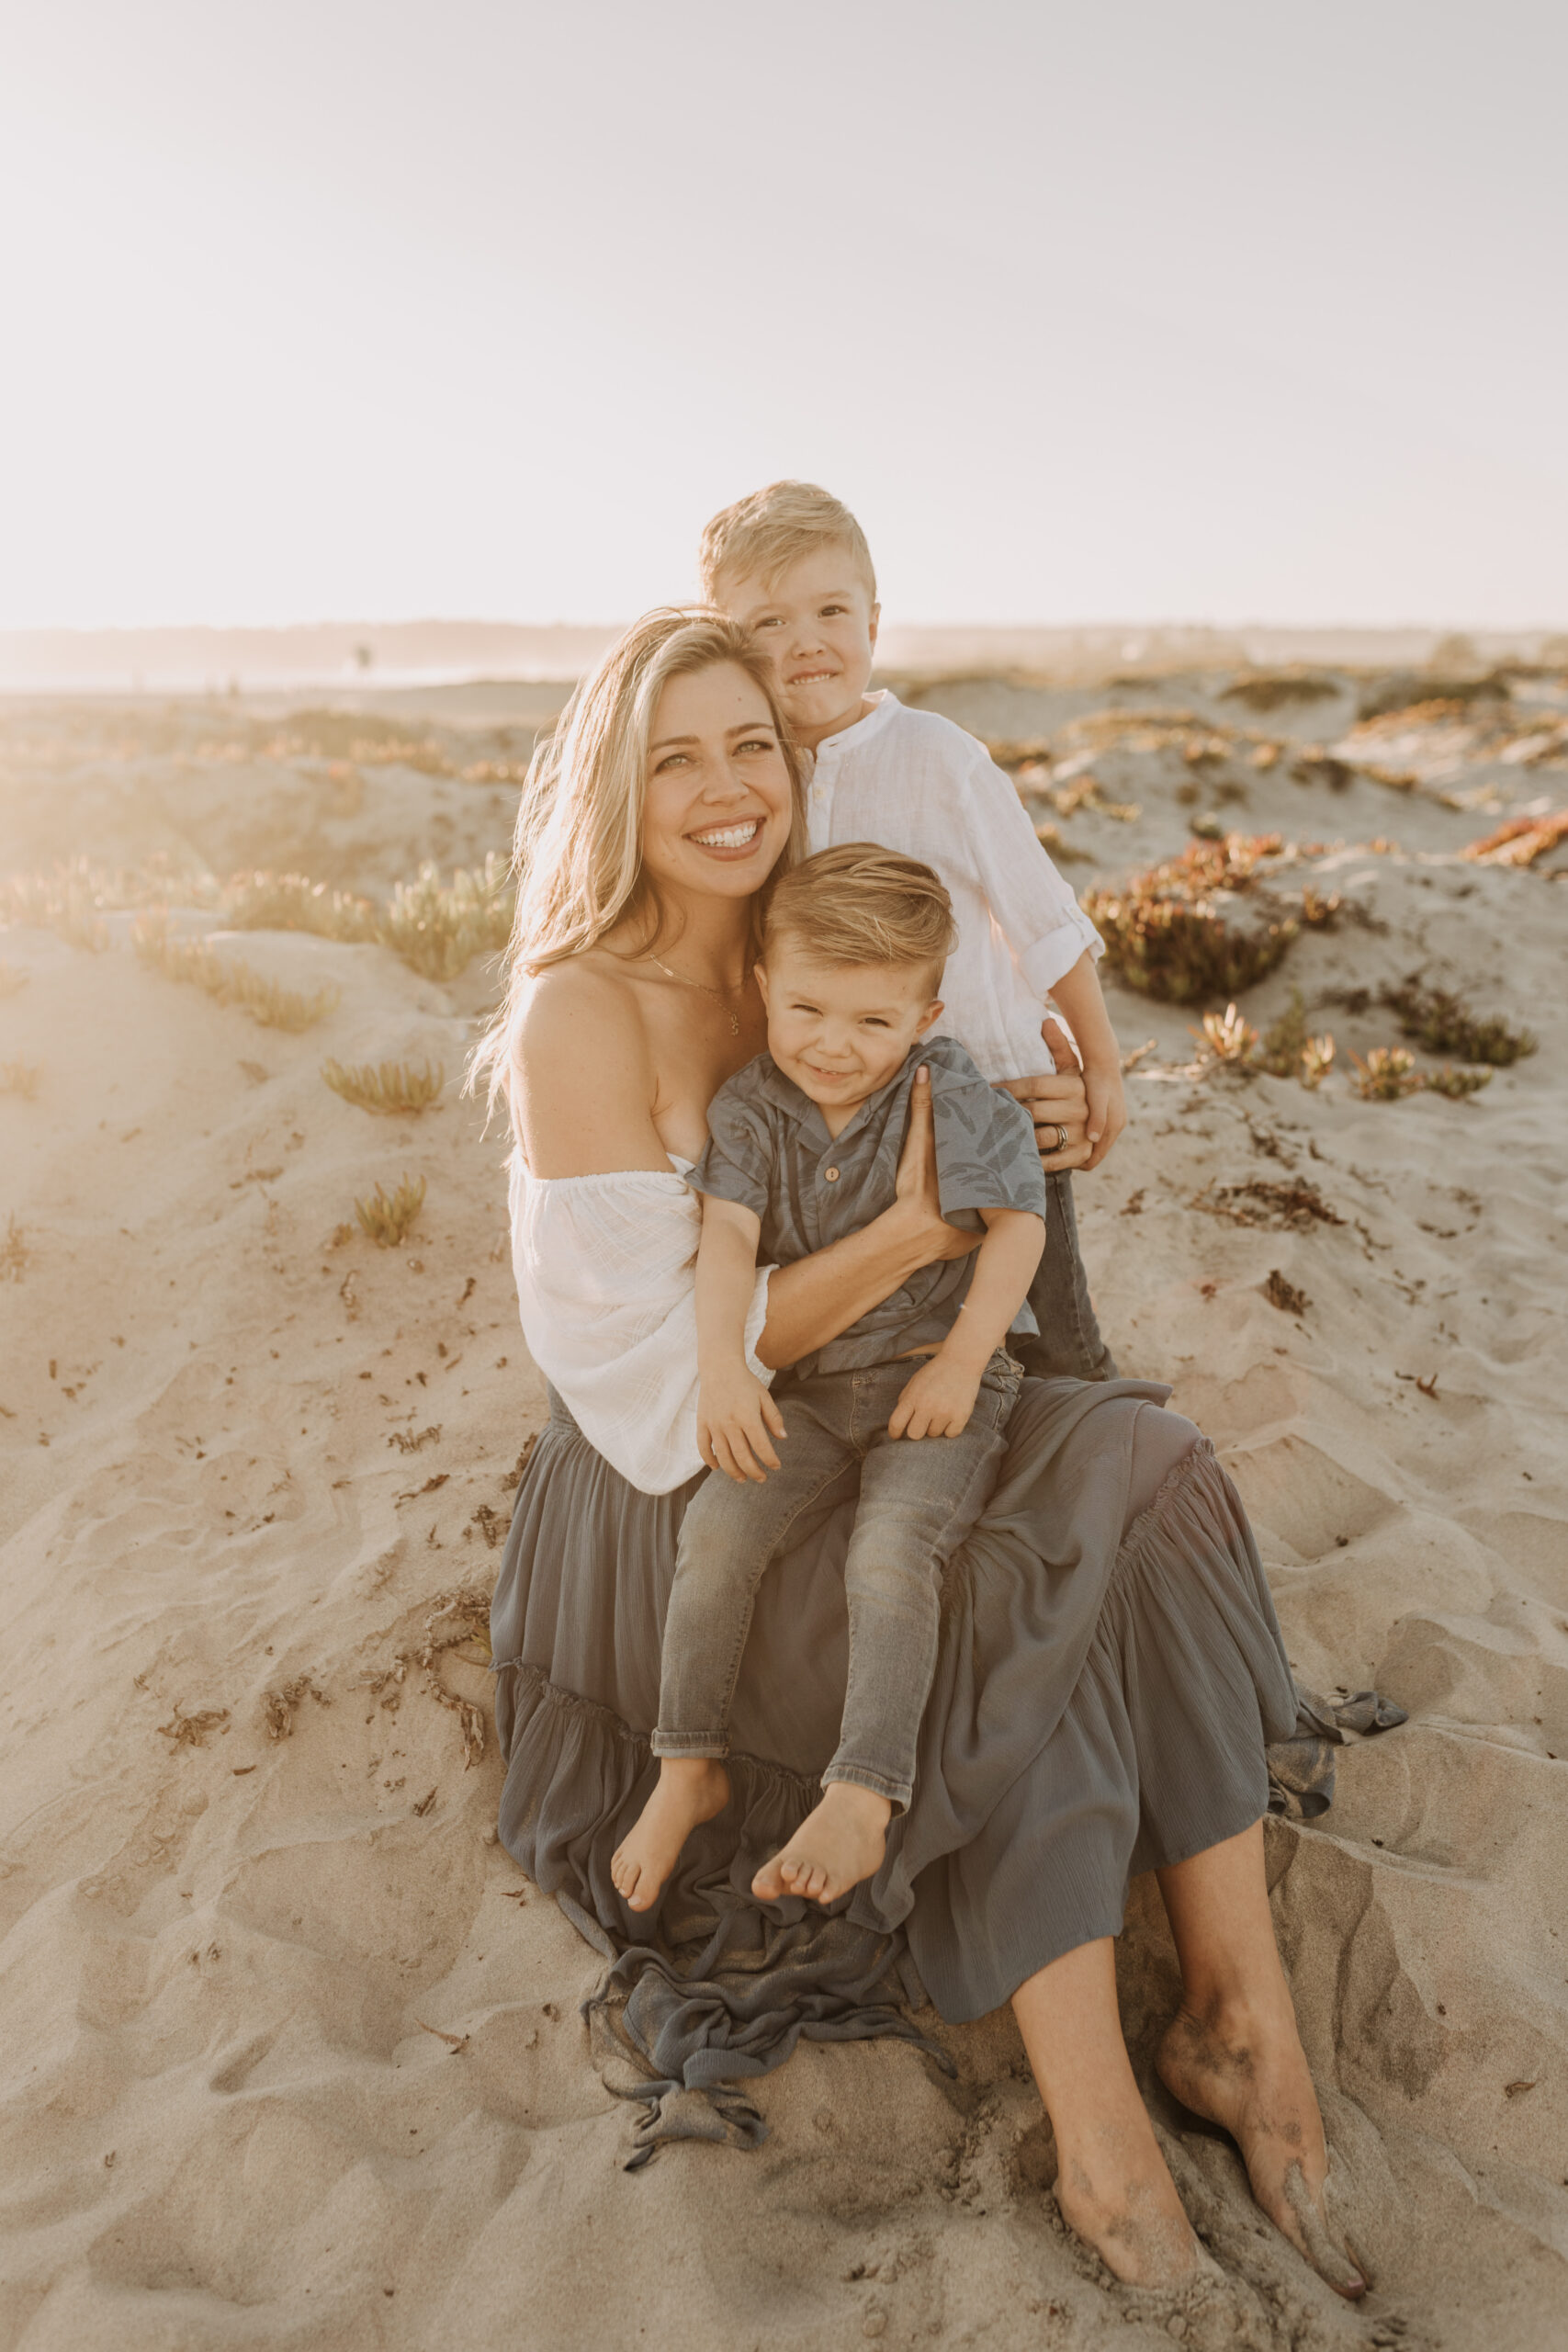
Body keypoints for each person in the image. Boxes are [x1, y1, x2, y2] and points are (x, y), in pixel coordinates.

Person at [468, 605, 1368, 2299]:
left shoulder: (818, 940)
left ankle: (1243, 2026)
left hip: (874, 1398)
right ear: (612, 790)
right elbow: (660, 1377)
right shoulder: (577, 1018)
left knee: (1154, 1473)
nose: (730, 787)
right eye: (677, 757)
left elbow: (972, 1090)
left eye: (755, 746)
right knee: (995, 1611)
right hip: (683, 1486)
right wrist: (901, 1236)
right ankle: (1103, 2149)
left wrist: (1060, 1111)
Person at [612, 848, 1047, 1914]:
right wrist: (723, 1369)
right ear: (765, 984)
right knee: (717, 1530)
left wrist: (963, 1357)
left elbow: (1018, 1226)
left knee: (891, 1552)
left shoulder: (950, 1094)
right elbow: (725, 1240)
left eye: (873, 1023)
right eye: (807, 1008)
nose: (834, 1047)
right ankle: (688, 1765)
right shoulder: (753, 1108)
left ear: (924, 1013)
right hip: (805, 1390)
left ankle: (863, 1791)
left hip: (932, 1381)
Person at [700, 478, 1122, 1383]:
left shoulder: (937, 755)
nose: (805, 640)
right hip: (861, 1103)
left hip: (1002, 1090)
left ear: (875, 624)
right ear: (729, 645)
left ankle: (1095, 1427)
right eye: (768, 623)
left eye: (831, 610)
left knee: (1056, 1323)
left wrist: (1101, 1062)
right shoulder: (759, 782)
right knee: (926, 1325)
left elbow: (1041, 916)